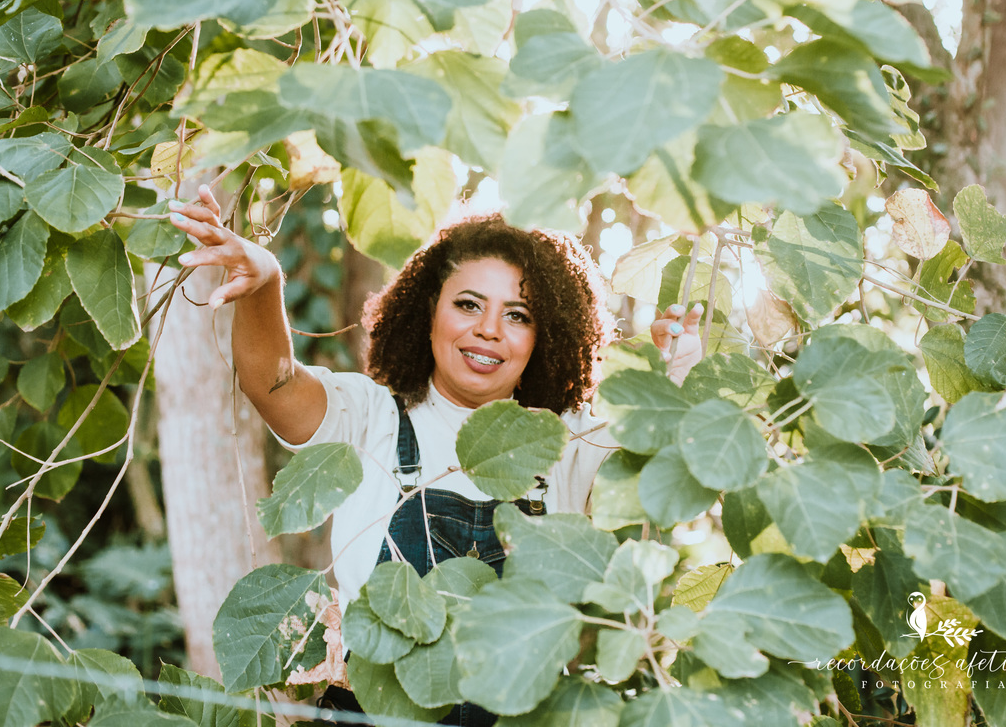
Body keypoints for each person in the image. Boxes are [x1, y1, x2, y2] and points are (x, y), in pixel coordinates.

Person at [168, 186, 704, 724]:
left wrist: (674, 385)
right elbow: (274, 383)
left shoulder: (568, 440)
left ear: (546, 335)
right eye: (469, 304)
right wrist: (264, 283)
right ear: (429, 310)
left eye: (518, 315)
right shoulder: (371, 416)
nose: (489, 330)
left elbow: (668, 483)